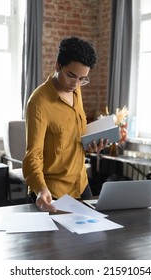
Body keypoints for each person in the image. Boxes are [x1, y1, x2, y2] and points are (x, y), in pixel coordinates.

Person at [22, 36, 108, 212]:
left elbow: (72, 139)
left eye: (82, 79)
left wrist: (90, 146)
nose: (75, 84)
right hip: (52, 191)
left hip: (80, 183)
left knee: (93, 236)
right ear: (57, 65)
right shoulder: (38, 102)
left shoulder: (76, 91)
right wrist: (40, 189)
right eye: (71, 76)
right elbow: (33, 154)